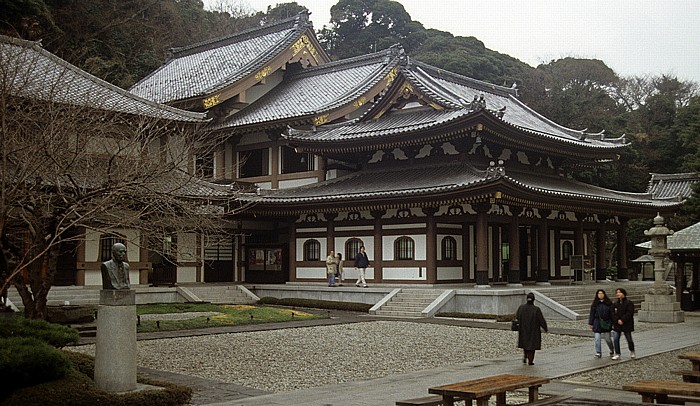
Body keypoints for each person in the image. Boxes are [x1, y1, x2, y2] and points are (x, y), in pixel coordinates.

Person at [515, 292, 548, 365]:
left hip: (523, 329)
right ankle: (530, 360)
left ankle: (525, 355)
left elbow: (517, 317)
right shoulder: (536, 309)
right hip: (533, 330)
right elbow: (541, 320)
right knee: (532, 346)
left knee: (525, 344)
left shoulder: (521, 308)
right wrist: (545, 328)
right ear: (534, 300)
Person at [588, 289, 614, 358]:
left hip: (606, 322)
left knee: (608, 338)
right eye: (599, 294)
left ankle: (611, 349)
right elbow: (592, 314)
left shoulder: (608, 303)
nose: (600, 295)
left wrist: (613, 323)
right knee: (597, 338)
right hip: (597, 322)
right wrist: (590, 323)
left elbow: (612, 314)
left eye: (602, 293)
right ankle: (598, 352)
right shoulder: (595, 304)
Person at [612, 287, 635, 360]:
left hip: (626, 323)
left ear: (623, 293)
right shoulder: (615, 303)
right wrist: (616, 320)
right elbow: (612, 313)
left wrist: (623, 320)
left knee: (629, 338)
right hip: (617, 323)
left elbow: (629, 313)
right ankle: (617, 353)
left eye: (619, 292)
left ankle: (632, 350)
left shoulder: (629, 303)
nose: (618, 294)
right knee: (615, 338)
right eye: (617, 292)